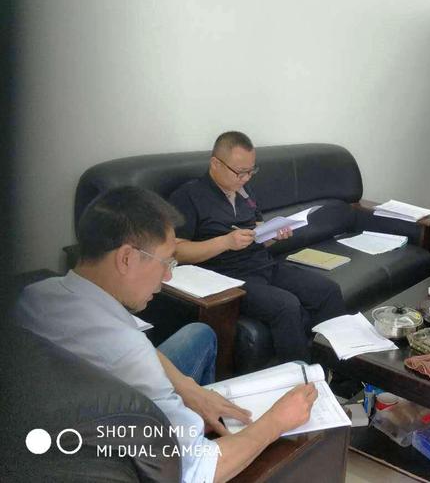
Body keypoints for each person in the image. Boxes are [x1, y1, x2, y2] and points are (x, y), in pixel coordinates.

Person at [15, 186, 317, 483]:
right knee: (295, 378)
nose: (168, 275)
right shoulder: (128, 352)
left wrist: (188, 388)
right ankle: (198, 430)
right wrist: (276, 422)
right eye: (166, 261)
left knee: (200, 334)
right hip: (132, 442)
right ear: (126, 258)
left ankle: (194, 416)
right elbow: (197, 471)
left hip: (76, 415)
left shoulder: (35, 295)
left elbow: (129, 343)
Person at [168, 131, 346, 364]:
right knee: (286, 306)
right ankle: (300, 378)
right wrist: (225, 242)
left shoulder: (245, 192)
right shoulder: (189, 196)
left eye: (251, 171)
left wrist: (274, 234)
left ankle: (336, 369)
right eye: (240, 172)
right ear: (215, 163)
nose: (246, 178)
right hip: (227, 278)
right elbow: (176, 251)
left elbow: (258, 235)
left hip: (263, 264)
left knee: (328, 290)